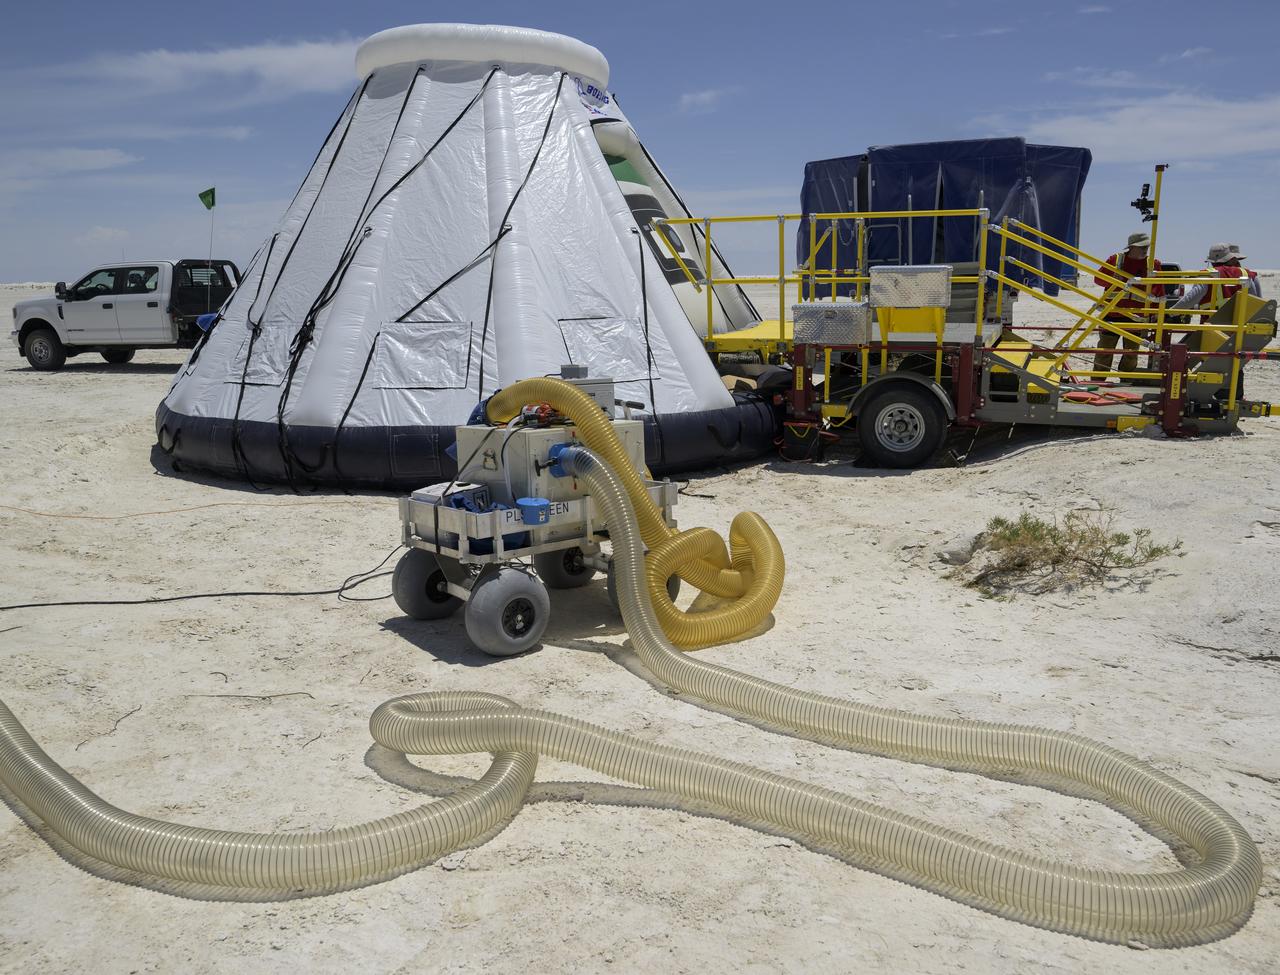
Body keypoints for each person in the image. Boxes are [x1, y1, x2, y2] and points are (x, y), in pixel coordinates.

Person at [1092, 232, 1164, 376]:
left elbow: (1159, 291)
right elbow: (1097, 280)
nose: (1145, 249)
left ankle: (1126, 381)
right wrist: (1112, 278)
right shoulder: (1115, 260)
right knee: (1104, 351)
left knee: (1131, 355)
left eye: (1147, 246)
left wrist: (1155, 314)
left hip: (1136, 317)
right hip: (1112, 314)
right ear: (1131, 247)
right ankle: (1098, 380)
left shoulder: (1153, 264)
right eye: (1141, 246)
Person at [1172, 242, 1261, 314]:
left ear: (1212, 262)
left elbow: (1191, 299)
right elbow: (1258, 303)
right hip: (1243, 326)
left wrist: (1171, 312)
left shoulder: (1207, 275)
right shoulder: (1249, 275)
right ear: (1232, 259)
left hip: (1212, 327)